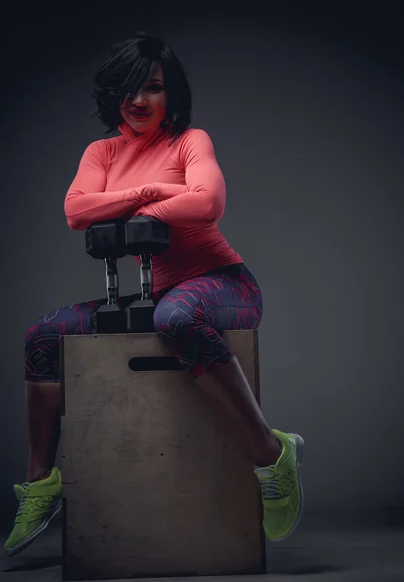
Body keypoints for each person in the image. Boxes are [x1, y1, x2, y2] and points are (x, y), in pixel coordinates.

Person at [4, 31, 305, 557]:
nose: (138, 101)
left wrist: (127, 205)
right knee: (41, 335)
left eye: (152, 87)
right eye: (127, 89)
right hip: (152, 296)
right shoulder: (101, 152)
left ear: (173, 93)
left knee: (175, 316)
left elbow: (207, 203)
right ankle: (40, 484)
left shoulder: (191, 142)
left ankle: (271, 454)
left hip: (224, 284)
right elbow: (77, 212)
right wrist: (153, 192)